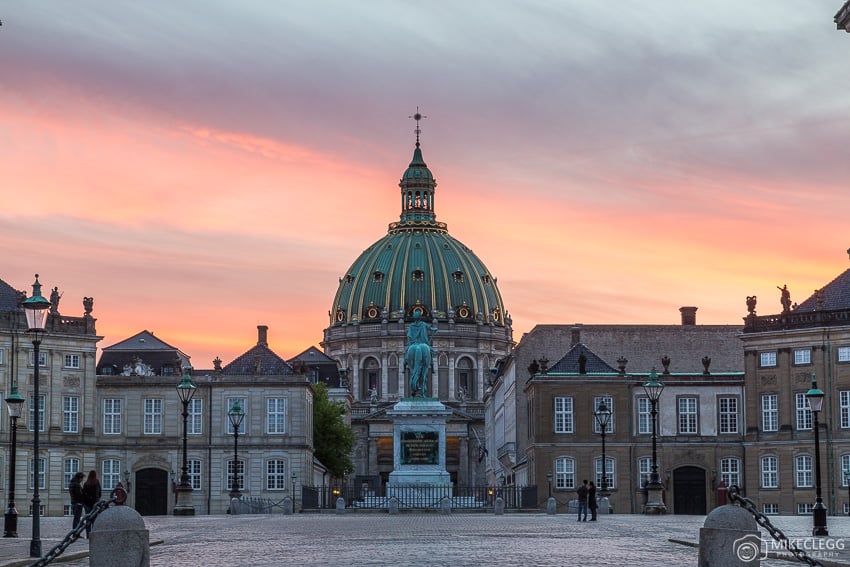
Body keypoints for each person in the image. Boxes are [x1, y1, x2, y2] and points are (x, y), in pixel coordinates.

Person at [81, 470, 102, 538]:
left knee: (88, 520)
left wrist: (86, 502)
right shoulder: (97, 482)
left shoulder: (86, 483)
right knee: (94, 520)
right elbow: (99, 493)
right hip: (95, 504)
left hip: (87, 504)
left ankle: (88, 535)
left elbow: (83, 494)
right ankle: (94, 534)